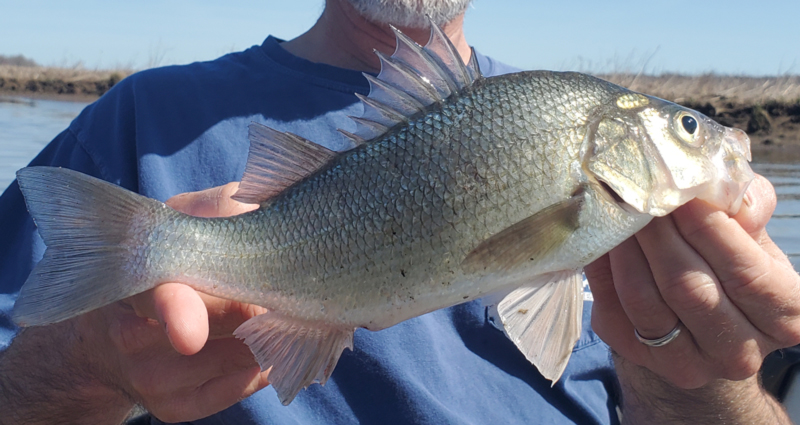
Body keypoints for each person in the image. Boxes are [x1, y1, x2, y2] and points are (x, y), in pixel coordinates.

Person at [1, 1, 798, 423]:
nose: (697, 136)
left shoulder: (575, 143)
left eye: (686, 125)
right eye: (684, 129)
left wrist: (698, 382)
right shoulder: (135, 121)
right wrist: (85, 362)